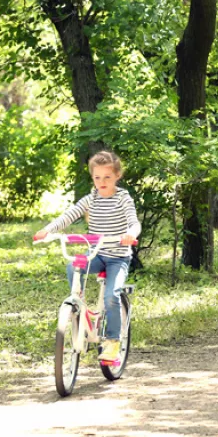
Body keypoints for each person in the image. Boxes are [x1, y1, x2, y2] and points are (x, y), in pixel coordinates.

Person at [34, 151, 141, 361]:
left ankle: (112, 342)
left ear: (117, 176)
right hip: (96, 252)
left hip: (118, 256)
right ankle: (79, 307)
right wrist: (48, 230)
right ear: (92, 178)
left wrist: (131, 234)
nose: (102, 182)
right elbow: (69, 215)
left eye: (107, 177)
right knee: (72, 265)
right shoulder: (91, 199)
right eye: (97, 177)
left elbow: (133, 221)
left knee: (112, 296)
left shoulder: (122, 198)